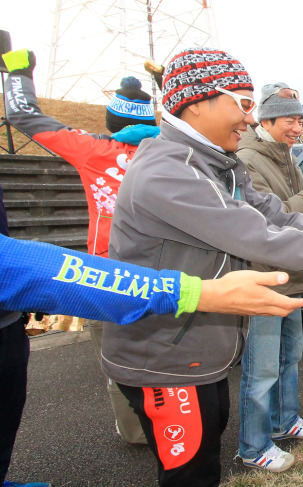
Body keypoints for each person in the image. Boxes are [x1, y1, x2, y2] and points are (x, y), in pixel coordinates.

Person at [101, 47, 303, 487]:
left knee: (207, 450)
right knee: (190, 473)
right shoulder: (169, 169)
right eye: (244, 105)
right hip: (163, 356)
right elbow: (256, 234)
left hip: (195, 348)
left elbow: (281, 216)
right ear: (197, 101)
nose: (251, 119)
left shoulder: (220, 164)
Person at [0, 187, 303, 487]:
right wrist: (190, 292)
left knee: (213, 427)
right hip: (161, 348)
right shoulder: (157, 173)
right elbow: (24, 267)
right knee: (191, 463)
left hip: (9, 327)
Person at [3, 48, 159, 445]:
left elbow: (24, 117)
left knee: (118, 362)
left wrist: (19, 71)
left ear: (113, 121)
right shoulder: (175, 154)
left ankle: (136, 431)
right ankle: (175, 428)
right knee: (165, 358)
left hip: (107, 274)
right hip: (171, 272)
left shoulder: (94, 149)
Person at [234, 82, 303, 472]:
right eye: (293, 120)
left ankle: (284, 421)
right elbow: (266, 221)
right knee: (260, 368)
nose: (299, 127)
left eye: (301, 120)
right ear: (268, 119)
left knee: (289, 357)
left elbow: (302, 215)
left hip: (290, 276)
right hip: (264, 278)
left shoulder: (285, 155)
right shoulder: (247, 158)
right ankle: (253, 445)